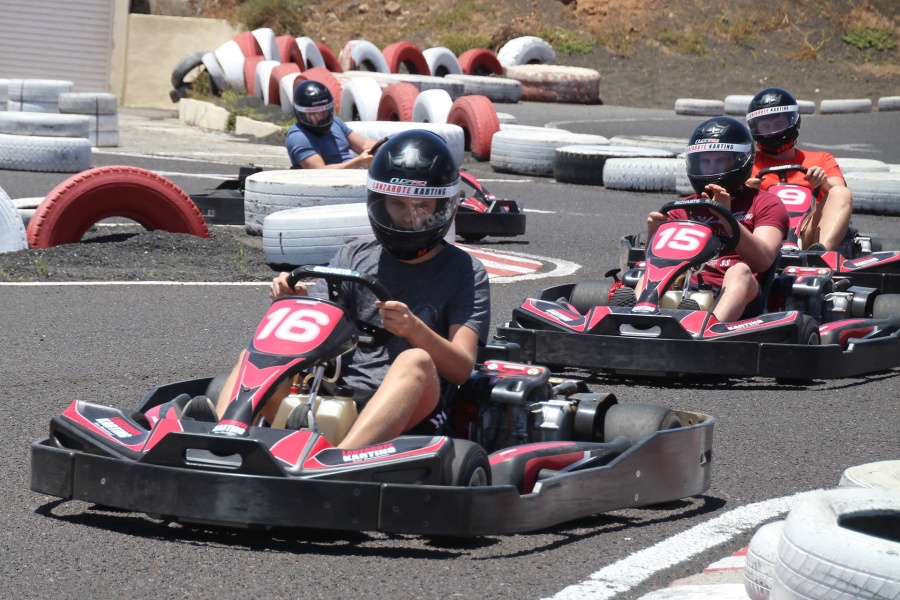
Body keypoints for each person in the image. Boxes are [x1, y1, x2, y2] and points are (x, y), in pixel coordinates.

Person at [217, 129, 491, 449]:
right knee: (260, 357)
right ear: (379, 201)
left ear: (444, 207)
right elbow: (315, 327)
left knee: (415, 360)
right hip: (333, 397)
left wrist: (415, 330)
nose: (409, 217)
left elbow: (460, 369)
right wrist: (296, 302)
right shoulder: (355, 255)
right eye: (397, 204)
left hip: (412, 412)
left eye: (423, 206)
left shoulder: (465, 272)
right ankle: (224, 439)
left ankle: (338, 460)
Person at [643, 116, 789, 322]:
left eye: (720, 160)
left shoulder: (766, 204)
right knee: (648, 274)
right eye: (706, 162)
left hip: (740, 295)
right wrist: (653, 234)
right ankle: (638, 318)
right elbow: (659, 263)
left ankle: (706, 329)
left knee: (739, 270)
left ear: (740, 161)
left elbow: (763, 260)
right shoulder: (683, 208)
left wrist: (725, 216)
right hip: (686, 288)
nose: (712, 170)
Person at [746, 87, 853, 252]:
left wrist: (822, 183)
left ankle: (819, 255)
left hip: (807, 234)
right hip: (761, 232)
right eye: (765, 126)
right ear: (755, 129)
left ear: (792, 122)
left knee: (841, 192)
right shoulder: (748, 163)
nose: (772, 131)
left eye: (779, 124)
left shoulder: (821, 159)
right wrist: (745, 192)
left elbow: (840, 194)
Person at [285, 80, 378, 169]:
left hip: (357, 175)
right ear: (301, 113)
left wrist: (388, 145)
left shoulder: (336, 123)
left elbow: (364, 145)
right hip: (332, 183)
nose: (320, 117)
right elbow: (319, 172)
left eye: (323, 111)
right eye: (313, 113)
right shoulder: (299, 137)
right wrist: (357, 163)